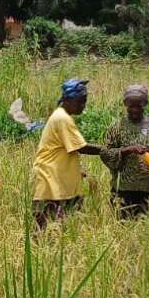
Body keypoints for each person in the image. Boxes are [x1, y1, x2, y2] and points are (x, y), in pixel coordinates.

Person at [33, 79, 116, 228]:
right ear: (68, 100)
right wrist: (107, 150)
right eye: (80, 101)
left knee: (65, 222)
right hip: (52, 178)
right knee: (46, 225)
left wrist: (79, 168)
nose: (83, 106)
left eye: (85, 101)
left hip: (60, 178)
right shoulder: (62, 118)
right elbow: (81, 147)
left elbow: (66, 148)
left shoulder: (61, 116)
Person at [100, 84, 149, 219]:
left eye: (139, 105)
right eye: (131, 106)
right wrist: (127, 150)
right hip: (125, 190)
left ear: (146, 104)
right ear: (125, 104)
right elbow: (105, 153)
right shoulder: (117, 126)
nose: (135, 110)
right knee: (124, 230)